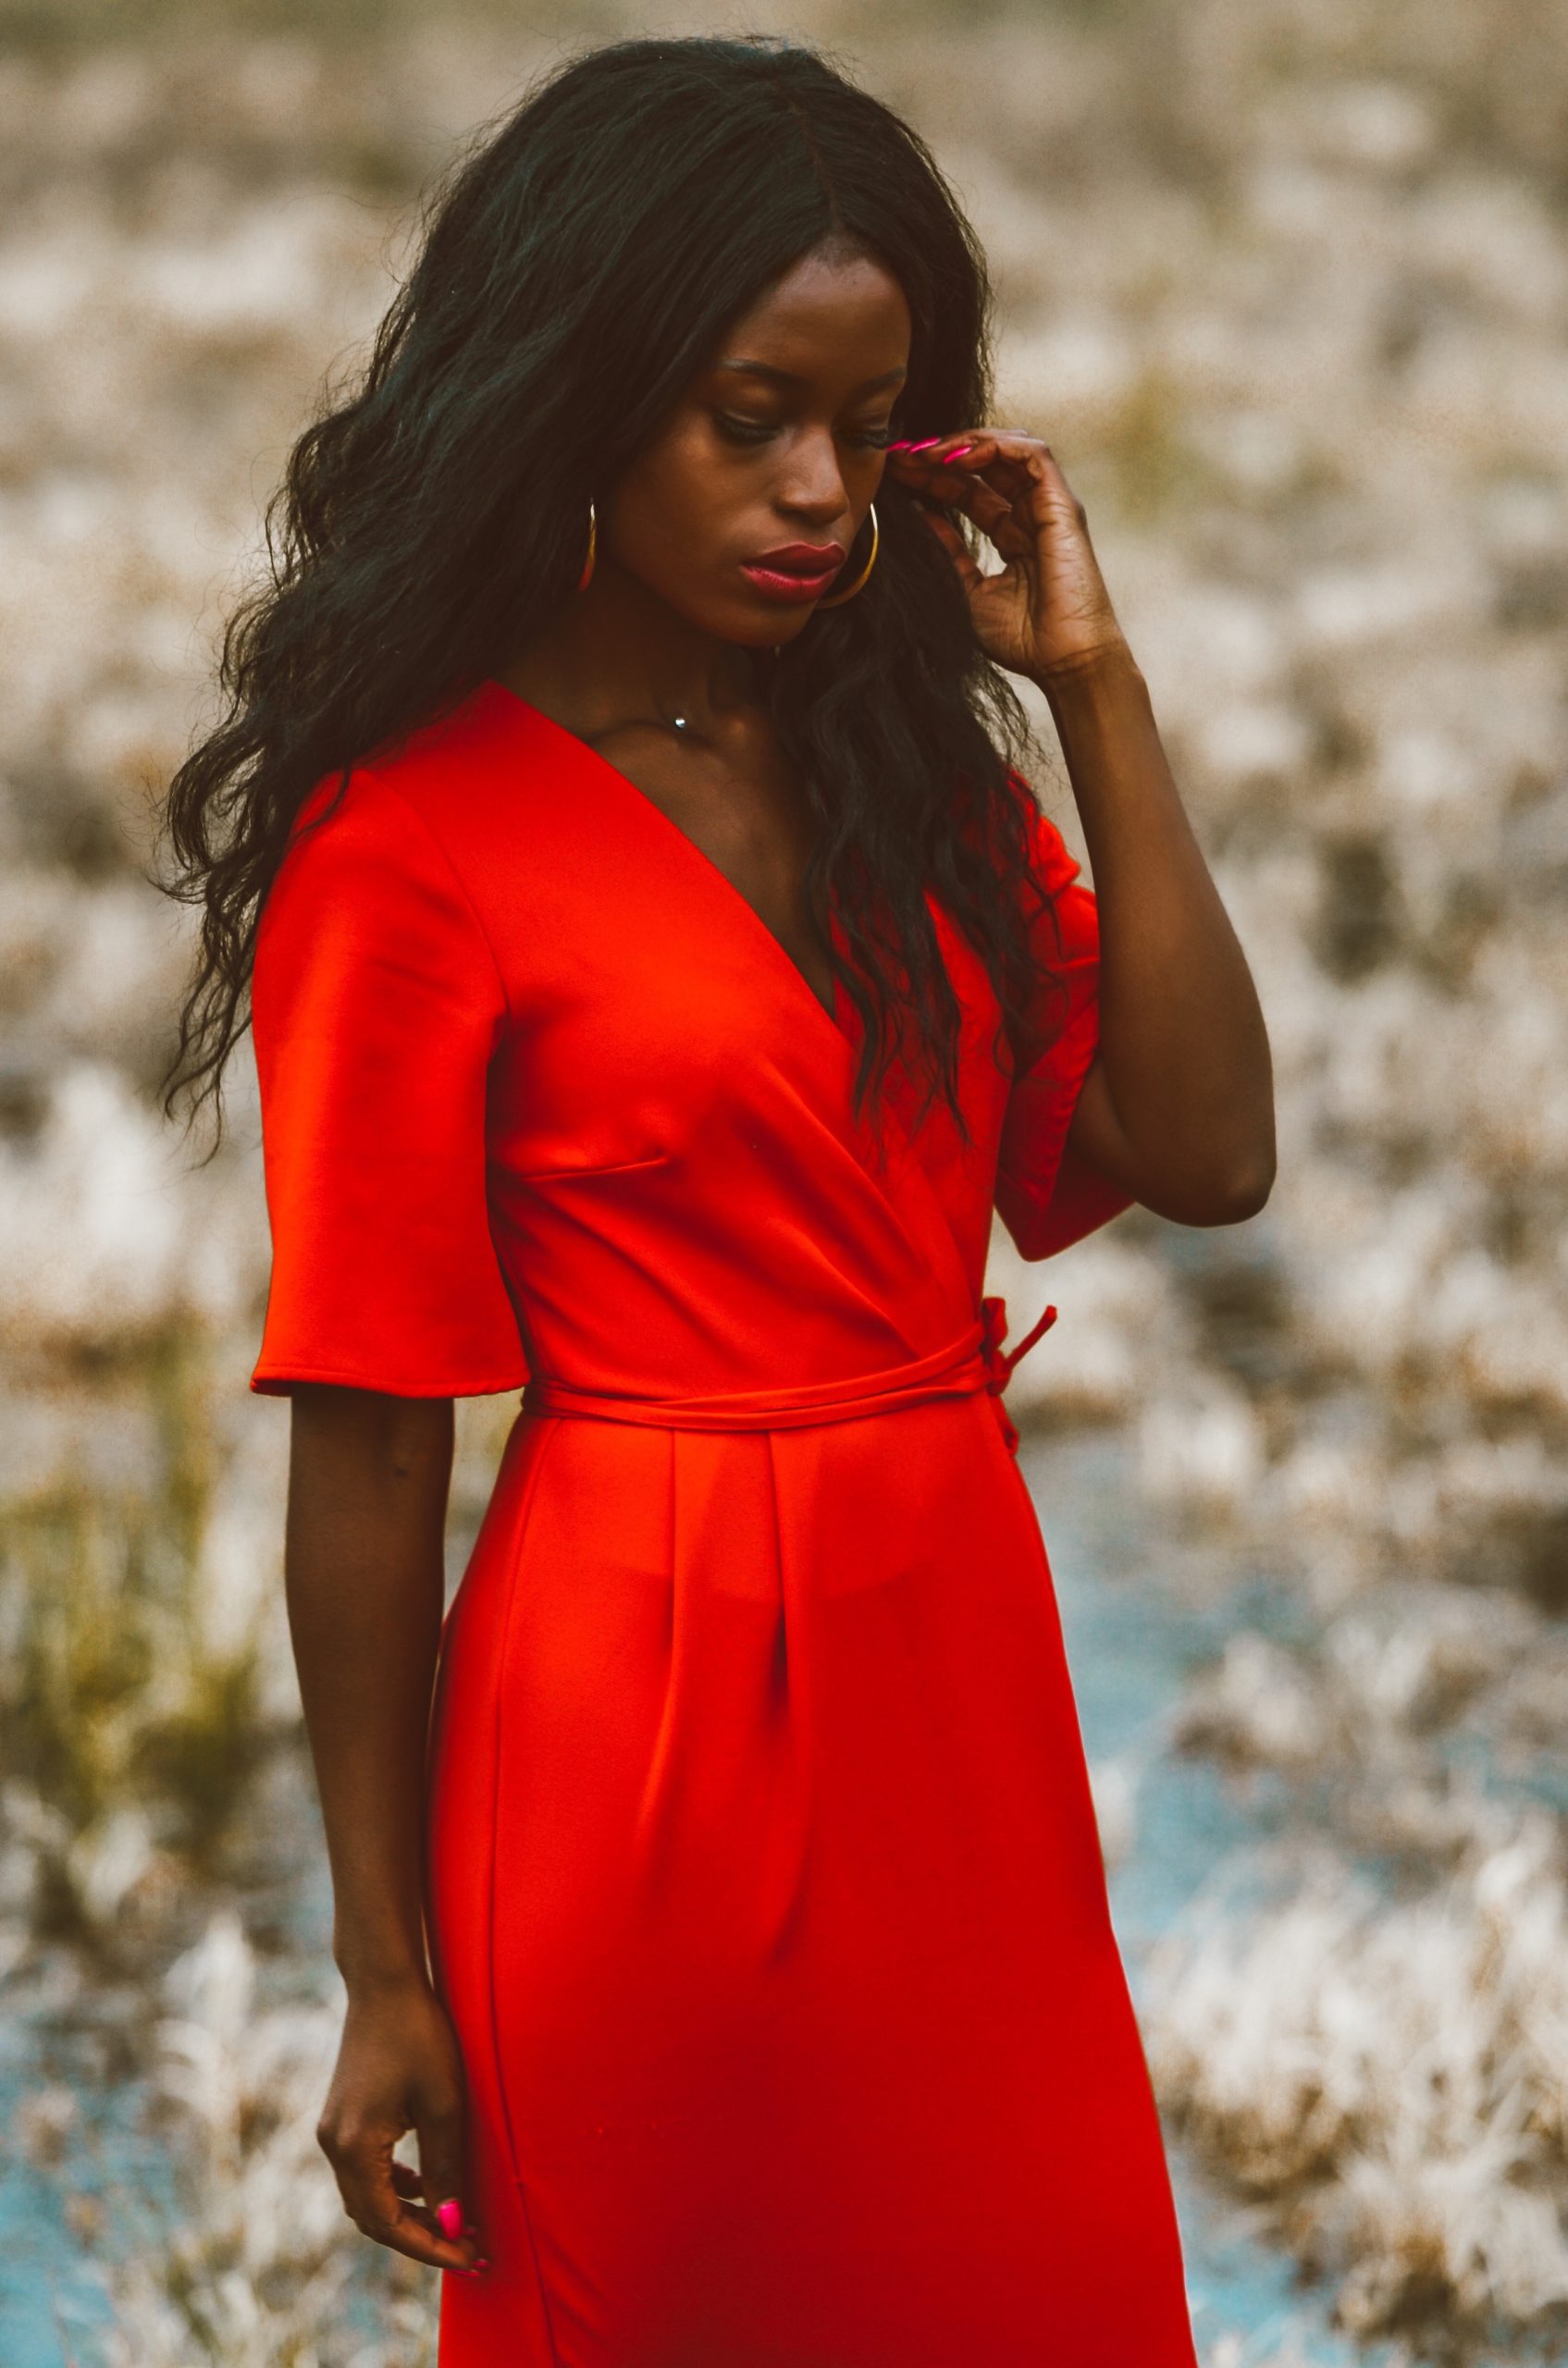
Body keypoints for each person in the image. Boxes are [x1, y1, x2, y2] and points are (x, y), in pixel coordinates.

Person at [161, 31, 1273, 2365]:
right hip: (627, 1724)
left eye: (866, 431)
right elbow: (367, 1434)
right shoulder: (414, 839)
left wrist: (1095, 690)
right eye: (746, 416)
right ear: (583, 401)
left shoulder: (905, 778)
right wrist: (380, 1968)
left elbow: (1203, 1151)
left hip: (951, 1670)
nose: (816, 494)